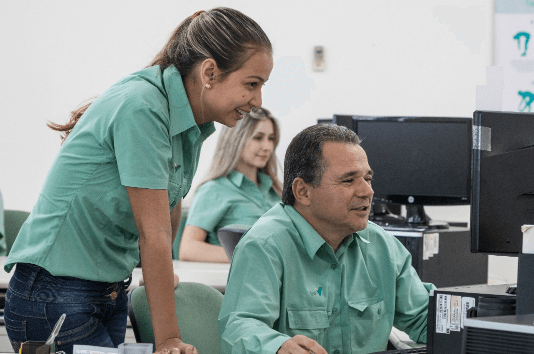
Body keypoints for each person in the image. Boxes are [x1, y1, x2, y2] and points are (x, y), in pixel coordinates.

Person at [4, 7, 273, 354]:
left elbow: (168, 205)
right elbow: (153, 232)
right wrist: (168, 339)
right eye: (252, 84)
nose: (258, 101)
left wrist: (158, 275)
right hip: (55, 293)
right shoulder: (143, 106)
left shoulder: (189, 120)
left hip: (107, 289)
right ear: (209, 72)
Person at [218, 124, 434, 354]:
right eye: (348, 180)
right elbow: (240, 327)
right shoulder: (265, 245)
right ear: (303, 192)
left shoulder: (382, 246)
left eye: (368, 179)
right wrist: (278, 347)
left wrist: (471, 321)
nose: (367, 191)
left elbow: (424, 319)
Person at [179, 107, 282, 262]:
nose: (267, 146)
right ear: (236, 139)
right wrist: (255, 258)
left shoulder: (278, 191)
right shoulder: (213, 190)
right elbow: (188, 249)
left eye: (271, 138)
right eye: (258, 138)